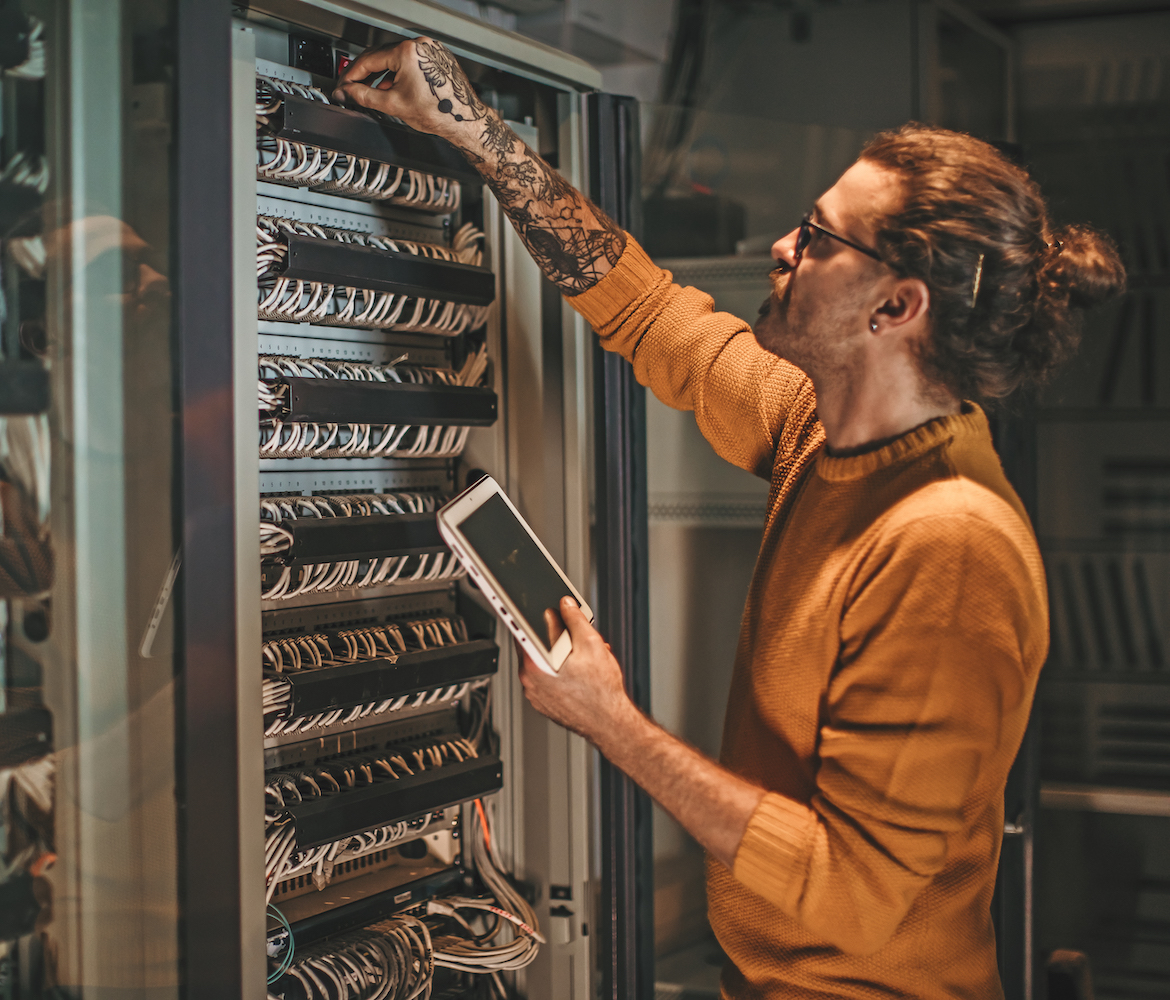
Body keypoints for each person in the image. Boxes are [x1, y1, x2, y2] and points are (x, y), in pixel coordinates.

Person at [335, 39, 1125, 998]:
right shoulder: (819, 426)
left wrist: (612, 722)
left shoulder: (947, 545)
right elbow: (656, 318)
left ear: (897, 305)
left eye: (820, 237)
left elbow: (850, 895)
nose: (783, 248)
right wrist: (478, 136)